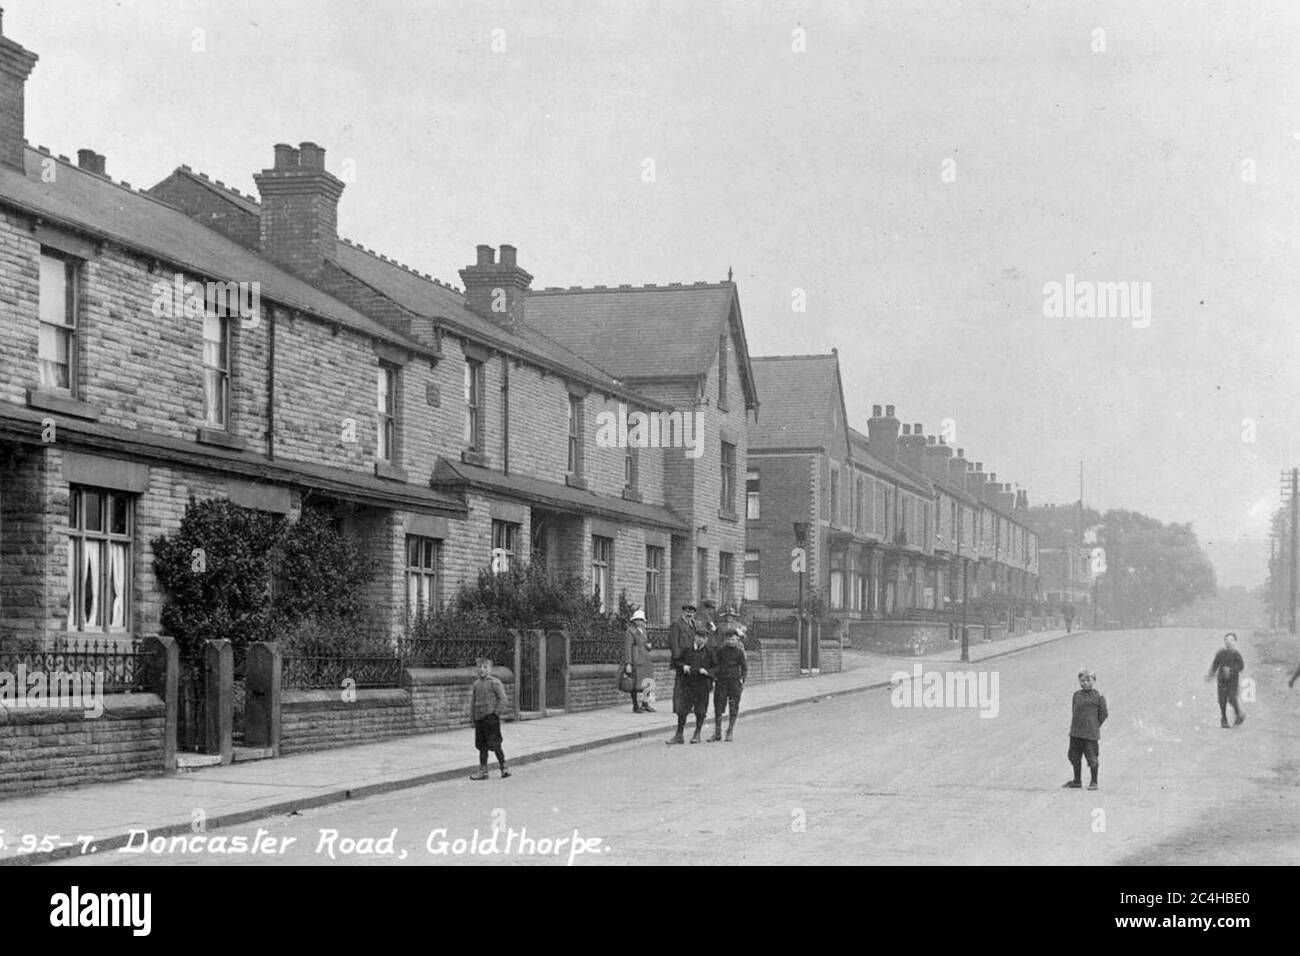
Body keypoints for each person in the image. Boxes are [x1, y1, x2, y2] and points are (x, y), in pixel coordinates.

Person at [667, 627, 714, 745]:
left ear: (706, 639)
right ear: (695, 637)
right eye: (699, 637)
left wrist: (708, 671)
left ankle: (697, 733)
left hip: (702, 684)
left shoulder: (709, 652)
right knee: (682, 710)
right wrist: (683, 666)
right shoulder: (687, 650)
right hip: (688, 683)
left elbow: (717, 667)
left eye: (704, 638)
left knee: (700, 710)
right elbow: (676, 662)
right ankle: (679, 735)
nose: (701, 640)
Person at [1063, 668, 1107, 791]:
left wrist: (1094, 725)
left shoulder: (1098, 696)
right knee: (1074, 756)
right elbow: (1074, 710)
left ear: (1094, 681)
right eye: (1082, 680)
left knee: (1092, 757)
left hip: (1090, 734)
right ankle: (1077, 781)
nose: (1085, 683)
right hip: (1076, 732)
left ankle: (1094, 782)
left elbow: (1103, 714)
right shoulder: (1076, 695)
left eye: (1088, 680)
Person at [708, 608, 748, 742]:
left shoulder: (739, 652)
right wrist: (714, 678)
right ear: (725, 639)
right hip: (722, 681)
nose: (731, 641)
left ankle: (730, 730)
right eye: (729, 639)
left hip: (735, 681)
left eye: (733, 639)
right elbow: (715, 665)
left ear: (737, 639)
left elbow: (744, 667)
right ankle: (717, 732)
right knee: (718, 706)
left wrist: (742, 679)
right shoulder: (720, 651)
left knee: (733, 706)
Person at [468, 657, 510, 780]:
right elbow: (473, 702)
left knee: (496, 744)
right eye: (479, 667)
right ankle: (483, 771)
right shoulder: (476, 684)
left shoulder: (495, 682)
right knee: (482, 746)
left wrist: (495, 713)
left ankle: (504, 767)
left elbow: (503, 699)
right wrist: (472, 718)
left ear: (490, 669)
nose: (482, 670)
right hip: (479, 719)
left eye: (485, 667)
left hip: (491, 719)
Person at [1204, 632, 1245, 728]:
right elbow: (1215, 664)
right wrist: (1210, 673)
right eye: (1226, 640)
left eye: (1231, 640)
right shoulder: (1221, 653)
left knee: (1232, 697)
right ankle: (1224, 719)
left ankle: (1239, 713)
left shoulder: (1236, 654)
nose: (1228, 642)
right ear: (1224, 641)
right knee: (1222, 699)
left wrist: (1231, 670)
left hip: (1233, 680)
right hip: (1221, 679)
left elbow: (1241, 666)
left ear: (1235, 642)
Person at [668, 602, 700, 715]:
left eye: (691, 612)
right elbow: (674, 643)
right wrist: (677, 659)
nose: (689, 614)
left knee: (688, 683)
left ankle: (686, 705)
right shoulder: (677, 624)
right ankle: (677, 707)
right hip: (681, 658)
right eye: (687, 612)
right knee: (680, 683)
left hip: (690, 657)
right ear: (683, 612)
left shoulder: (693, 624)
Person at [622, 608, 656, 713]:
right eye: (637, 620)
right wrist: (628, 663)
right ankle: (635, 705)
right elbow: (628, 647)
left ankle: (645, 703)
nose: (639, 622)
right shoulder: (630, 631)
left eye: (641, 620)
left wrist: (648, 646)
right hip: (636, 659)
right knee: (635, 682)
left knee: (647, 682)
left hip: (645, 659)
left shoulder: (644, 630)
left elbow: (645, 643)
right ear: (634, 621)